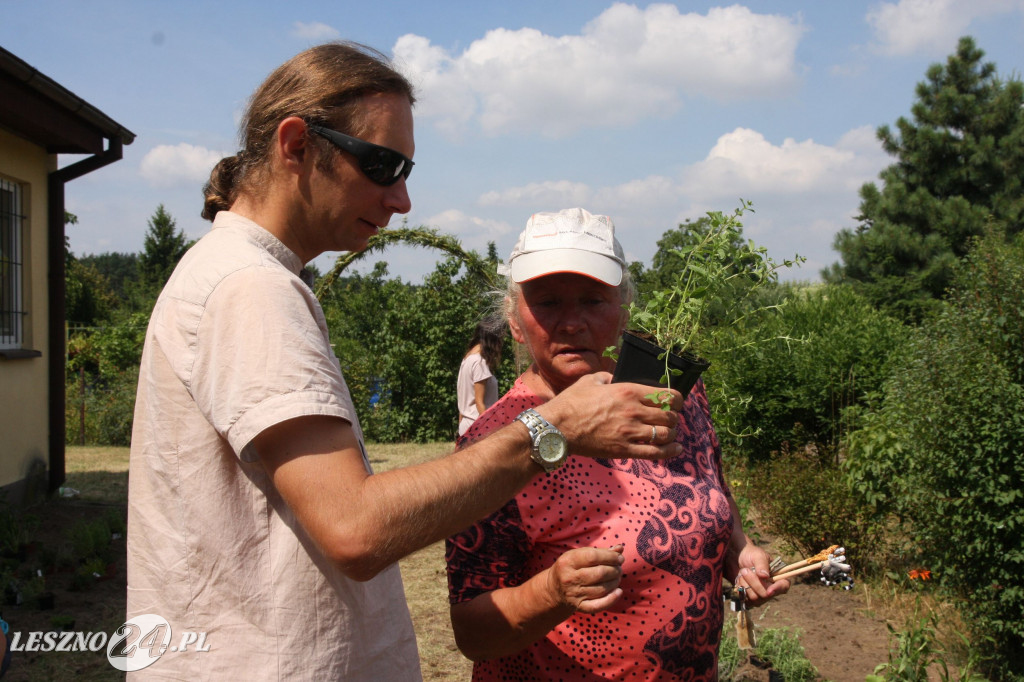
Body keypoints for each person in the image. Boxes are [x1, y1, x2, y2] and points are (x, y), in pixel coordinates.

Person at [127, 43, 685, 681]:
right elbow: (355, 528)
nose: (401, 201)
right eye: (383, 165)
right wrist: (554, 430)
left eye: (406, 171)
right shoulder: (251, 288)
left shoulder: (239, 276)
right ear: (295, 145)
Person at [445, 208, 789, 681]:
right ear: (514, 319)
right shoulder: (496, 443)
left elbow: (711, 487)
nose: (571, 322)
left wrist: (738, 550)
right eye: (546, 302)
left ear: (625, 307)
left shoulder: (673, 396)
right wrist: (550, 593)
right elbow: (472, 635)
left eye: (592, 300)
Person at [457, 320, 504, 436]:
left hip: (467, 426)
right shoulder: (479, 362)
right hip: (479, 427)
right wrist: (491, 430)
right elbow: (479, 403)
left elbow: (464, 401)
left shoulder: (467, 359)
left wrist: (460, 431)